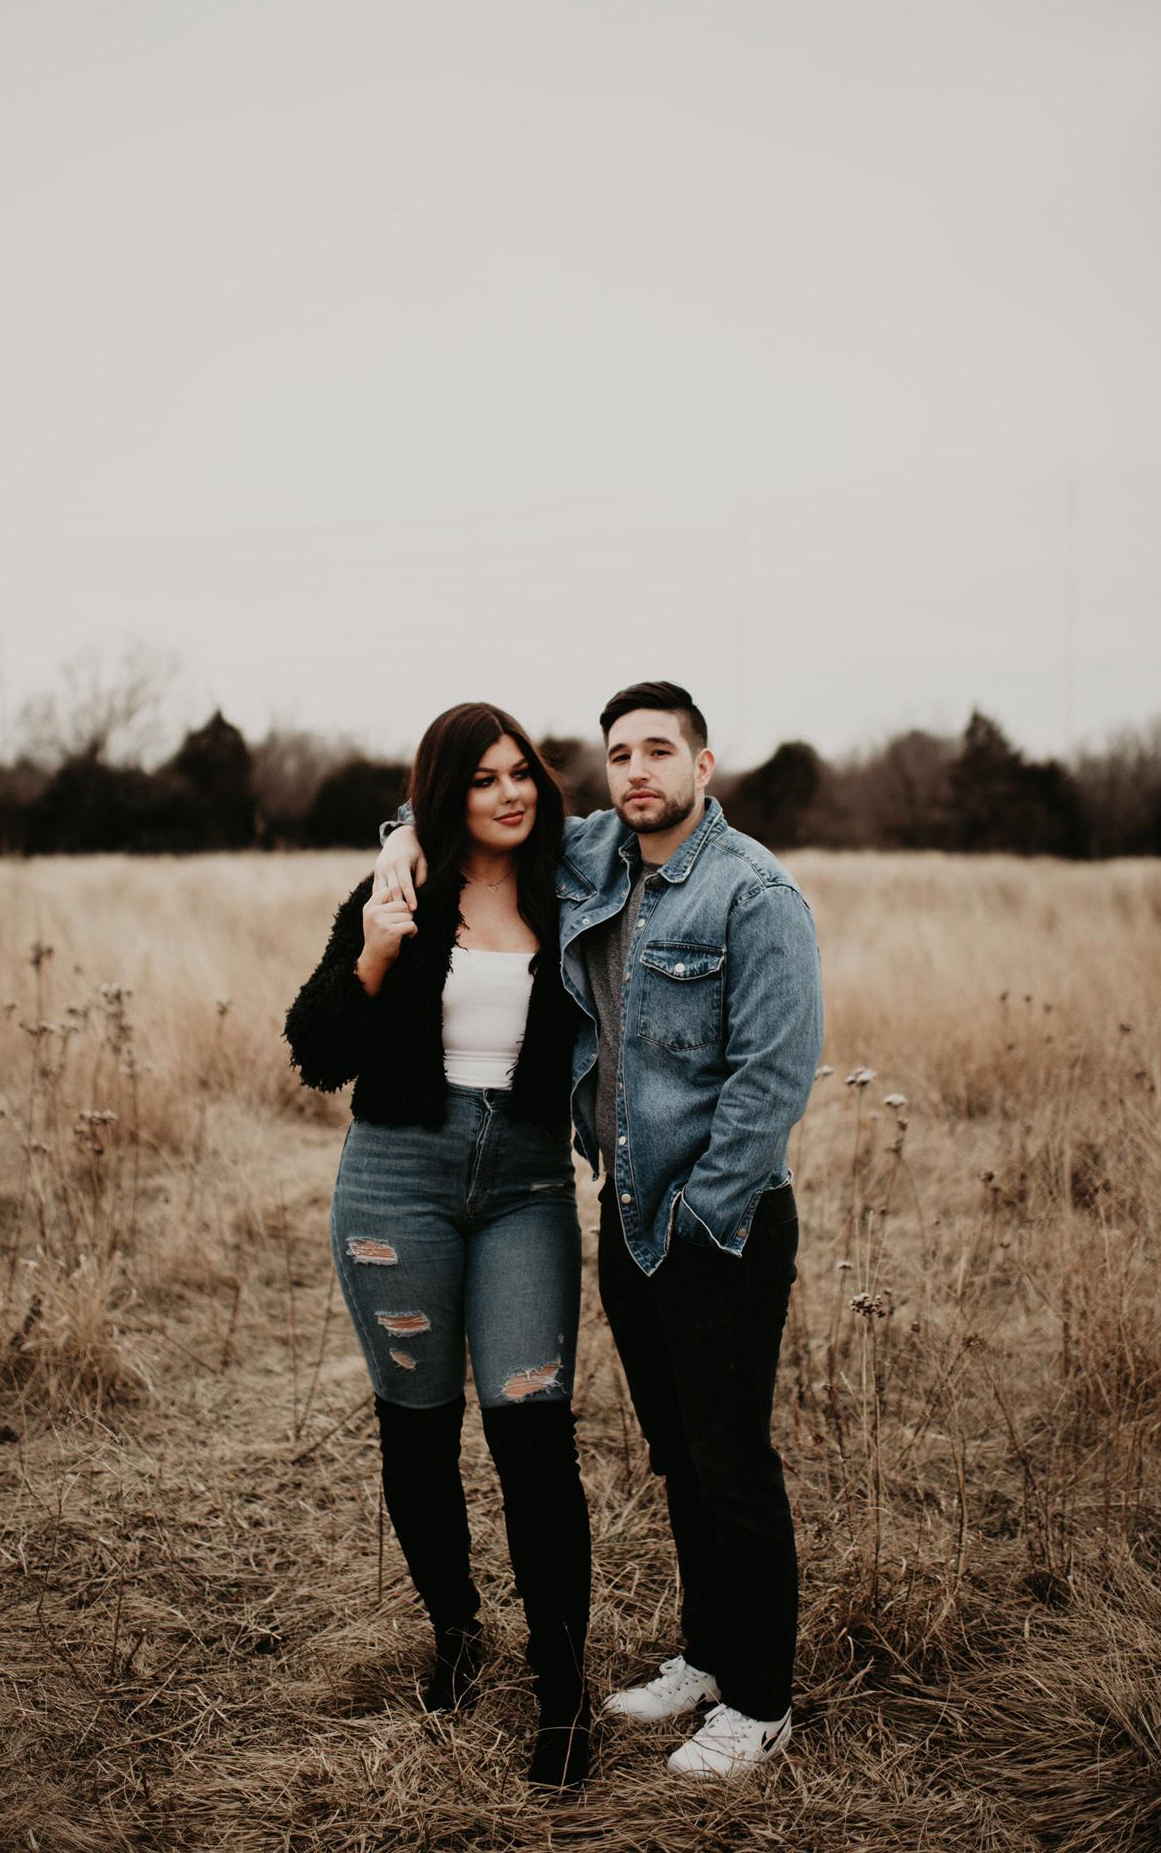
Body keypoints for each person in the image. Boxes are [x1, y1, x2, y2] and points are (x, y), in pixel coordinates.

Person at [376, 681, 823, 1779]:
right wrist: (397, 838)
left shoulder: (755, 891)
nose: (637, 772)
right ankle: (707, 1655)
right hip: (625, 1213)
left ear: (702, 765)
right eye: (620, 754)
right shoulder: (596, 856)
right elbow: (465, 807)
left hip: (718, 1224)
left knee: (731, 1460)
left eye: (659, 751)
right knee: (678, 1456)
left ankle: (760, 1700)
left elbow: (771, 1080)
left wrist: (701, 1217)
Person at [283, 702, 592, 1790]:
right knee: (418, 1428)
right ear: (445, 794)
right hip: (397, 1178)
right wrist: (376, 947)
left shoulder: (571, 884)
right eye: (482, 779)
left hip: (526, 1185)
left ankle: (562, 1694)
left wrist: (400, 829)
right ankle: (455, 1632)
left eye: (522, 773)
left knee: (533, 1434)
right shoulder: (397, 894)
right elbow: (316, 1051)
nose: (510, 793)